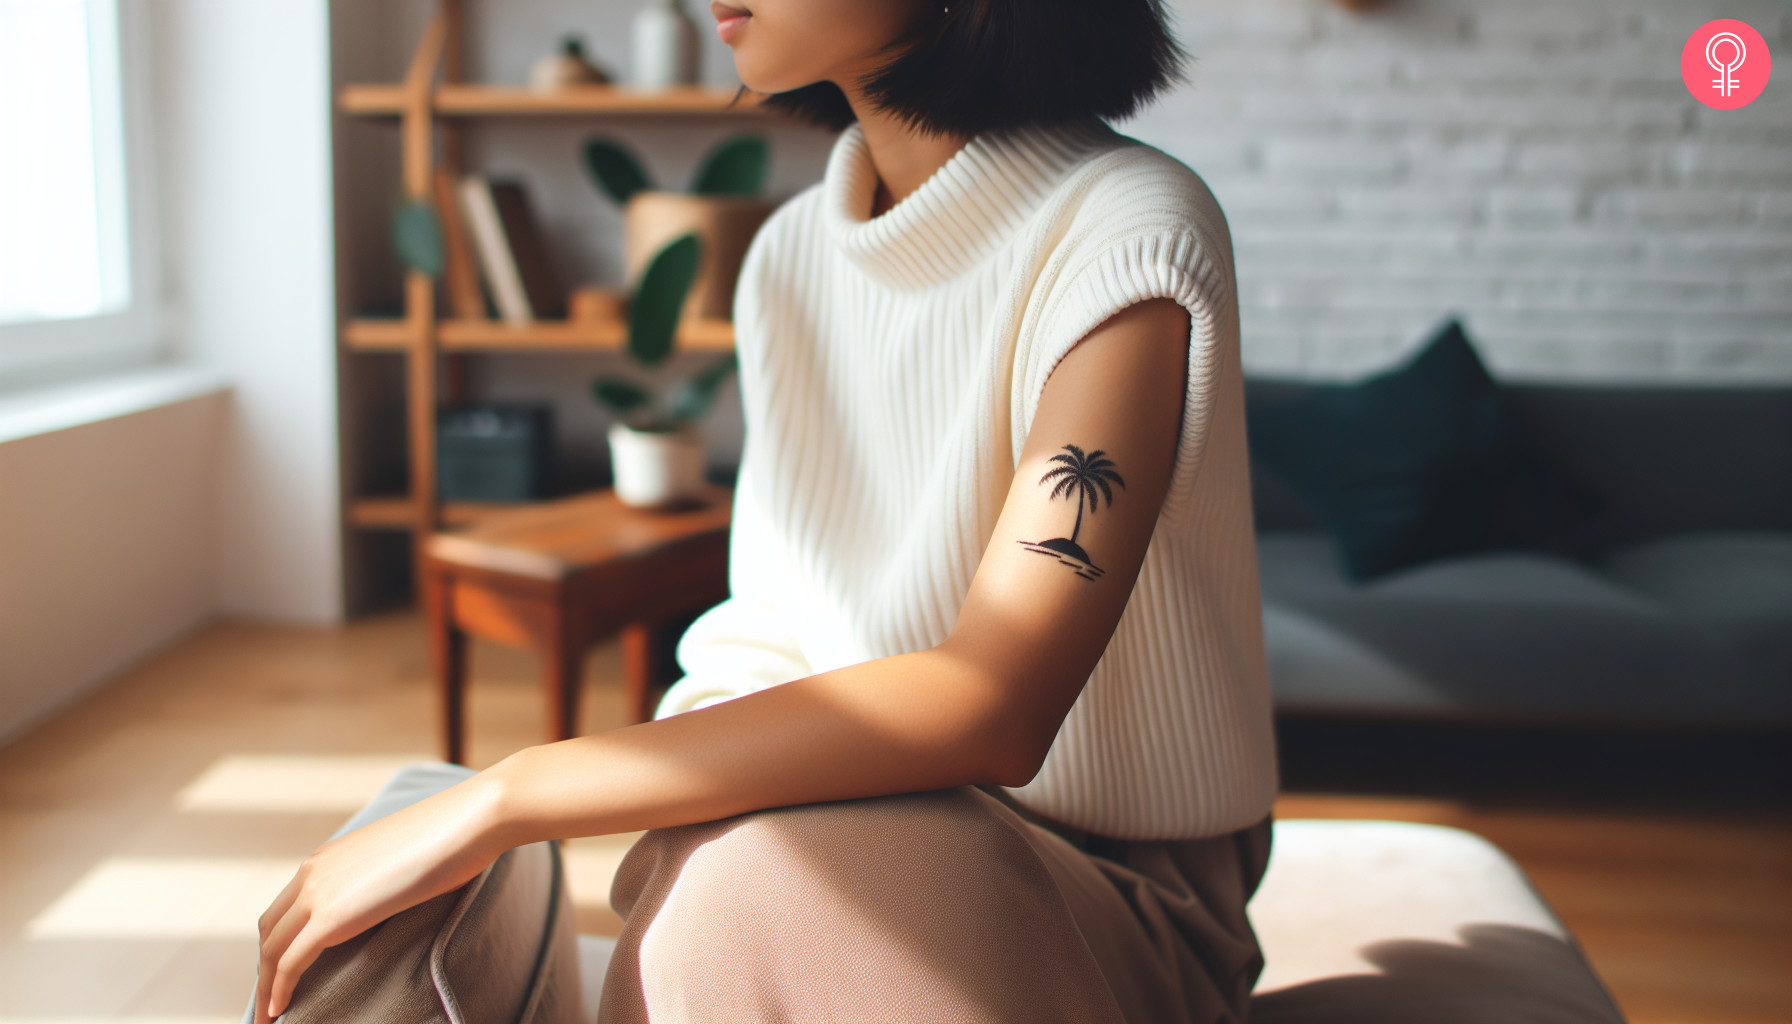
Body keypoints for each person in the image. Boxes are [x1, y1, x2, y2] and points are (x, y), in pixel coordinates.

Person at [254, 0, 1279, 1020]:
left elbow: (992, 704)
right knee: (716, 868)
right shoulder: (788, 256)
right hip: (849, 822)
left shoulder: (1125, 226)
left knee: (754, 875)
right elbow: (770, 632)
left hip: (1111, 891)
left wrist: (506, 797)